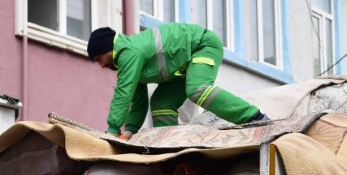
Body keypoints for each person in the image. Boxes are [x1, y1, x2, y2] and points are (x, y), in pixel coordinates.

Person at [87, 24, 266, 139]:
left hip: (203, 45)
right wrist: (129, 131)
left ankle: (254, 117)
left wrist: (112, 130)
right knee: (161, 102)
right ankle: (168, 144)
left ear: (107, 49)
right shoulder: (129, 60)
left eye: (98, 59)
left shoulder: (129, 52)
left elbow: (123, 93)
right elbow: (137, 100)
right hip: (184, 67)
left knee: (197, 89)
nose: (101, 65)